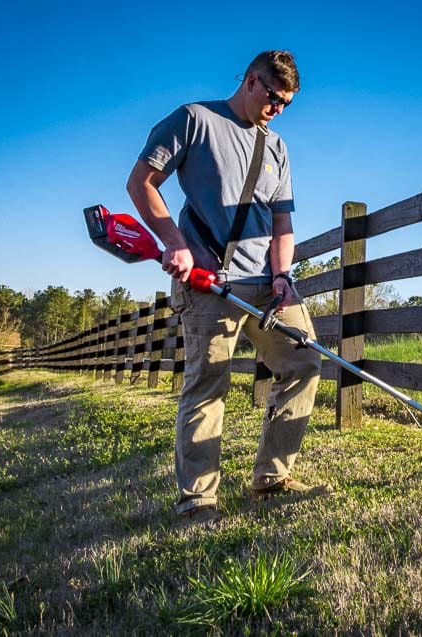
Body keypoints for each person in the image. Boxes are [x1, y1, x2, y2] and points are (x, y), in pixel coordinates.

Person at [126, 50, 324, 525]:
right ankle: (198, 500)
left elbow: (282, 225)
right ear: (252, 81)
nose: (278, 110)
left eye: (288, 105)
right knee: (208, 384)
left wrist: (282, 276)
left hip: (265, 285)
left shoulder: (276, 147)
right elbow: (141, 183)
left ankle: (272, 478)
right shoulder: (194, 120)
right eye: (275, 99)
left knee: (304, 361)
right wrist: (175, 244)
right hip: (208, 284)